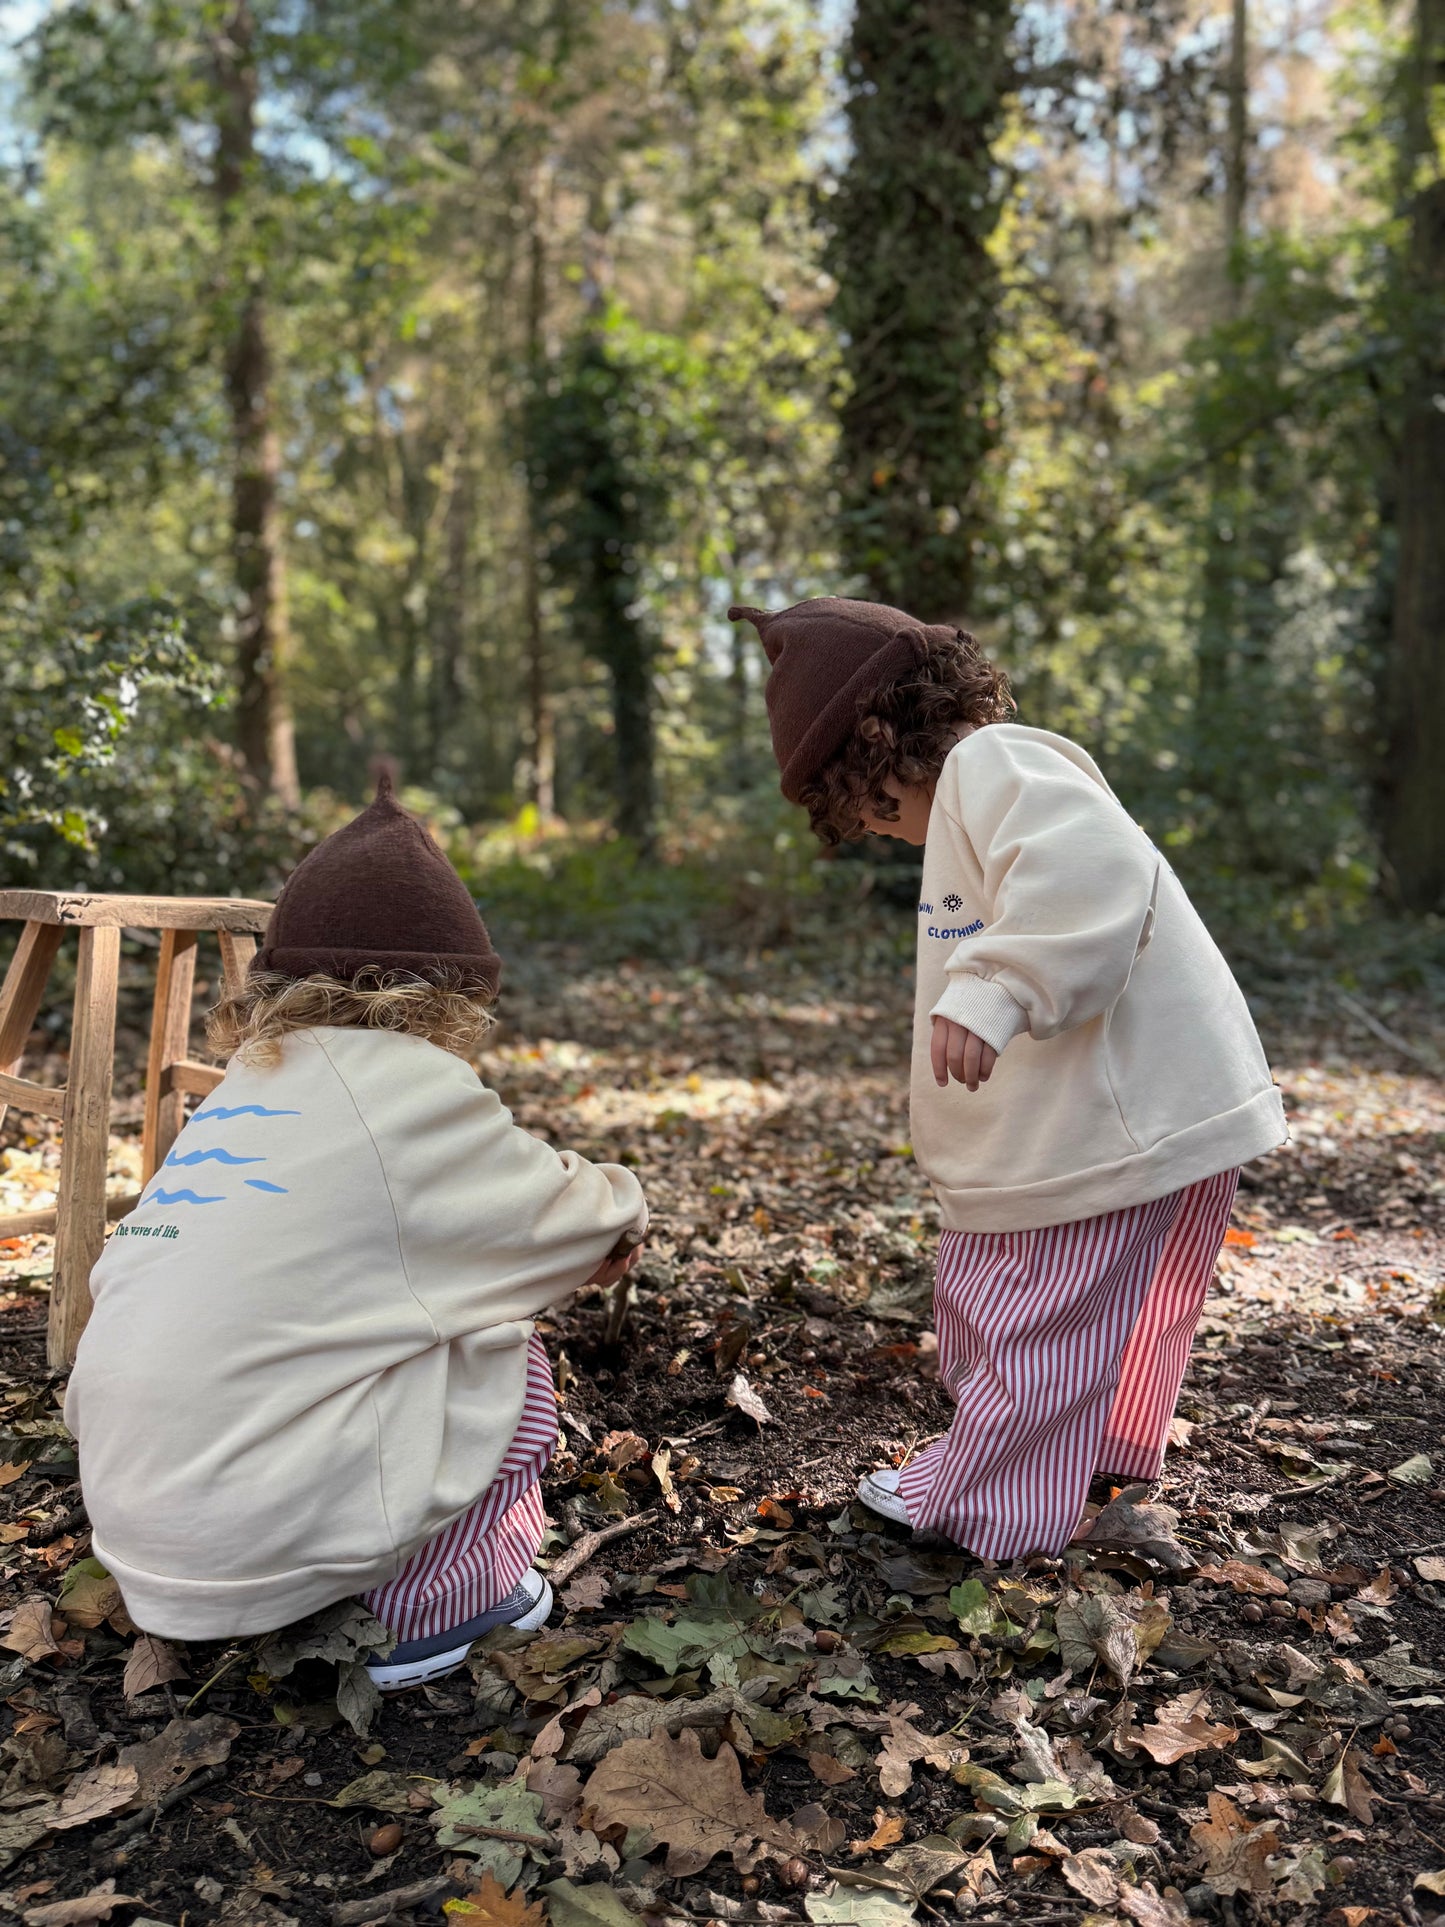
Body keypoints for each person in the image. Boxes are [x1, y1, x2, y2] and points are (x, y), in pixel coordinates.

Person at [729, 598, 1287, 1561]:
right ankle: (1090, 1453)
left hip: (1118, 1124)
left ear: (874, 743)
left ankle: (991, 1504)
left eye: (851, 797)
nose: (865, 824)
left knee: (1030, 1309)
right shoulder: (976, 792)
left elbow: (1094, 868)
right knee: (1104, 1300)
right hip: (1158, 1114)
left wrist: (996, 984)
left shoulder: (992, 764)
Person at [66, 775, 646, 1687]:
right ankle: (434, 1608)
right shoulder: (403, 1083)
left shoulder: (240, 1094)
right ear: (447, 992)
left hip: (146, 1532)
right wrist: (620, 1214)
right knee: (504, 1342)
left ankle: (305, 1588)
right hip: (255, 1532)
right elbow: (579, 1217)